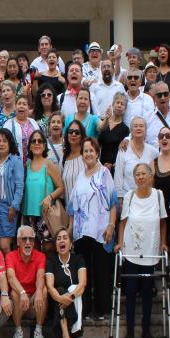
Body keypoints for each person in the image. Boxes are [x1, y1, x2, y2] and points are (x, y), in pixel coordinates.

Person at [114, 163, 166, 338]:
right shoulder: (129, 196)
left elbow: (162, 222)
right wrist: (120, 242)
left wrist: (163, 243)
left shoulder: (158, 196)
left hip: (150, 250)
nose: (141, 177)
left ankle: (146, 330)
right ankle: (129, 331)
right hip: (131, 250)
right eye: (137, 174)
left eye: (144, 173)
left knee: (146, 293)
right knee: (129, 291)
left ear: (151, 176)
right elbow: (123, 222)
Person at [66, 137, 116, 321]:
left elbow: (113, 202)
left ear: (97, 153)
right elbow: (72, 206)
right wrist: (70, 230)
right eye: (85, 151)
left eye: (91, 151)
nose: (88, 154)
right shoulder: (80, 176)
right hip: (81, 232)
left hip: (100, 231)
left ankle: (102, 310)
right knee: (83, 272)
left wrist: (111, 225)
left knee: (101, 271)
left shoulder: (104, 173)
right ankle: (85, 309)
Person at [45, 227, 87, 338]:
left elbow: (83, 283)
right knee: (60, 289)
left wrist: (70, 298)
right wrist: (60, 299)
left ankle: (70, 332)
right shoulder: (51, 261)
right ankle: (65, 333)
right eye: (58, 239)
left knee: (73, 288)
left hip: (75, 302)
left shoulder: (78, 259)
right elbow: (49, 286)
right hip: (56, 304)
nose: (61, 241)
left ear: (71, 243)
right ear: (56, 245)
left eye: (65, 238)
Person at [5, 225, 48, 338]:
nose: (28, 242)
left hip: (34, 301)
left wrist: (39, 290)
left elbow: (41, 275)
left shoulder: (40, 256)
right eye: (24, 239)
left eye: (31, 239)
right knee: (14, 292)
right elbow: (11, 278)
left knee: (44, 290)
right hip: (19, 300)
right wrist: (23, 293)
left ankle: (38, 331)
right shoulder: (10, 256)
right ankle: (18, 331)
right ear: (18, 241)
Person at [22, 130, 65, 249]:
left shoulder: (48, 164)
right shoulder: (27, 166)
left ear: (44, 145)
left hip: (46, 214)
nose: (37, 143)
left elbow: (61, 187)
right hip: (29, 214)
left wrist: (49, 197)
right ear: (29, 146)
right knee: (32, 249)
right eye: (33, 141)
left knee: (48, 248)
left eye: (40, 141)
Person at [0, 129, 24, 254]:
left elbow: (19, 186)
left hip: (6, 206)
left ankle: (10, 272)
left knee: (4, 245)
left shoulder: (15, 160)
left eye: (4, 141)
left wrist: (14, 205)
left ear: (10, 143)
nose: (1, 144)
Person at [114, 117, 159, 200]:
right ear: (131, 130)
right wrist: (120, 198)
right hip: (127, 198)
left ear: (145, 130)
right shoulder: (123, 150)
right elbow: (118, 176)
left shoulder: (153, 152)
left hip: (147, 198)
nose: (138, 128)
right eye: (135, 126)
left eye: (141, 126)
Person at [2, 95, 40, 164]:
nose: (21, 106)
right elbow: (4, 144)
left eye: (24, 104)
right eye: (19, 103)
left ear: (28, 108)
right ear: (15, 107)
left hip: (33, 163)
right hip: (14, 164)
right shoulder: (8, 124)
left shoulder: (34, 122)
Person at [98, 92, 129, 171]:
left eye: (122, 104)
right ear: (113, 104)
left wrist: (113, 166)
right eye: (117, 102)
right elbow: (98, 144)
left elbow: (123, 152)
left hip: (114, 167)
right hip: (99, 165)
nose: (119, 105)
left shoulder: (125, 129)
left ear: (125, 109)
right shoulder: (104, 122)